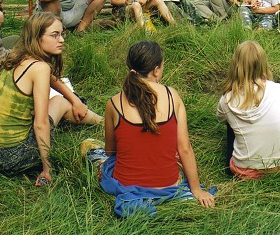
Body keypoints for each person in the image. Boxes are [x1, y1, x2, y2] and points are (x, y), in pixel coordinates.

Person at [0, 12, 102, 186]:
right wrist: (47, 169)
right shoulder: (40, 68)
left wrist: (75, 100)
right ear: (37, 38)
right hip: (10, 159)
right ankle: (104, 123)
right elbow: (41, 123)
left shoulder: (19, 55)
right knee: (59, 103)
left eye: (62, 34)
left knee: (64, 101)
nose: (62, 40)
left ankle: (97, 119)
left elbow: (52, 79)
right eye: (55, 35)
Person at [82, 41, 215, 217]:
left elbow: (110, 151)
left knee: (89, 145)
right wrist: (196, 190)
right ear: (156, 70)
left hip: (126, 182)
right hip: (169, 184)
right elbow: (184, 149)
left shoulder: (113, 103)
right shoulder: (172, 96)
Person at [217, 41, 280, 179]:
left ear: (236, 65)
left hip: (243, 171)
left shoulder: (227, 100)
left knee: (230, 121)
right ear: (263, 63)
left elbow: (220, 118)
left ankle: (239, 159)